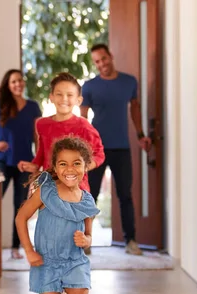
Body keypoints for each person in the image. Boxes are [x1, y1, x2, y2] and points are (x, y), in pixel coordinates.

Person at [15, 137, 99, 294]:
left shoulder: (87, 200)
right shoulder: (46, 192)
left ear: (86, 166)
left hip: (75, 262)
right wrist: (29, 251)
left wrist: (87, 240)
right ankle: (59, 291)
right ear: (54, 166)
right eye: (63, 164)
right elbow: (21, 218)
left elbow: (89, 234)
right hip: (46, 262)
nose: (70, 169)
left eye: (76, 164)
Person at [80, 43, 152, 256]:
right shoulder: (90, 86)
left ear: (111, 56)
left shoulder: (129, 82)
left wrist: (141, 135)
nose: (101, 64)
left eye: (103, 59)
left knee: (125, 195)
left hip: (122, 147)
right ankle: (85, 241)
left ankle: (131, 241)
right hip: (96, 150)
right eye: (97, 61)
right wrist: (83, 148)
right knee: (89, 196)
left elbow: (135, 110)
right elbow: (83, 119)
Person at [0, 69, 42, 259]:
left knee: (20, 206)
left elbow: (37, 136)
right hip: (2, 162)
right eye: (13, 82)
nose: (17, 84)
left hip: (25, 163)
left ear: (23, 83)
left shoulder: (33, 107)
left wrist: (38, 161)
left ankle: (15, 247)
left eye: (20, 81)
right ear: (8, 85)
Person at [17, 72, 105, 193]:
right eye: (59, 94)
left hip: (77, 191)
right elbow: (42, 152)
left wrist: (81, 168)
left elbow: (99, 154)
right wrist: (34, 165)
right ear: (51, 97)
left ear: (78, 100)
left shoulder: (84, 126)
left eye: (69, 95)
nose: (64, 99)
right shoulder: (42, 124)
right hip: (49, 190)